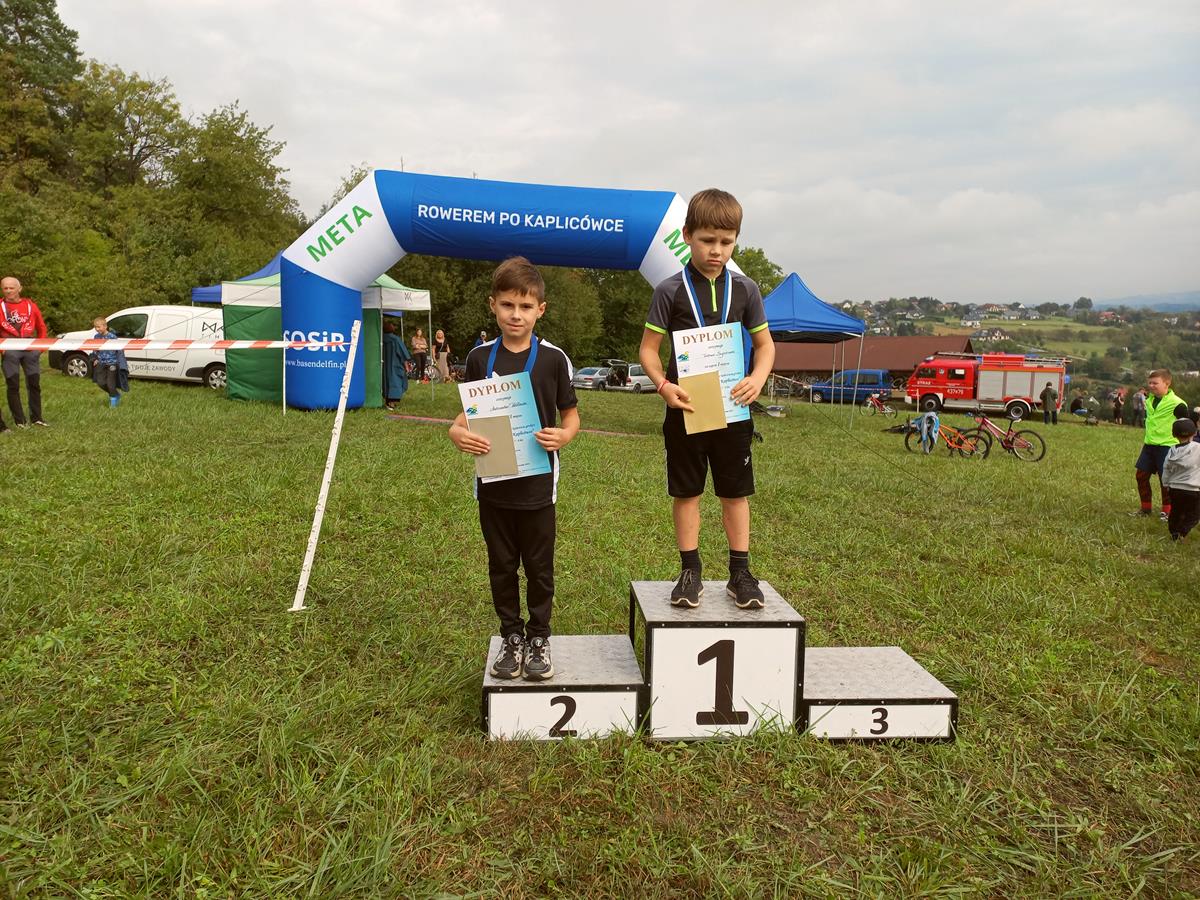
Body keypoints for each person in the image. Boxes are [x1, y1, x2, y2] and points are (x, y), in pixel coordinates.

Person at [638, 188, 775, 611]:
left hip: (734, 409)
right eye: (707, 240)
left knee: (735, 493)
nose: (716, 251)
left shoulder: (747, 289)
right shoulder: (669, 290)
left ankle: (740, 573)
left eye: (726, 242)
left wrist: (758, 377)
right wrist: (663, 385)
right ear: (687, 236)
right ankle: (690, 570)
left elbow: (765, 346)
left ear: (736, 241)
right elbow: (647, 351)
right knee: (688, 493)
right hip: (687, 409)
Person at [449, 257, 579, 681]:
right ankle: (512, 636)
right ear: (493, 305)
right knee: (501, 566)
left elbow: (571, 415)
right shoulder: (478, 358)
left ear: (541, 309)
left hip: (538, 487)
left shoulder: (554, 359)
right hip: (494, 486)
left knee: (540, 568)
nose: (516, 315)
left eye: (525, 307)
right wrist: (456, 432)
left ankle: (539, 637)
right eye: (507, 305)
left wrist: (563, 436)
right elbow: (465, 415)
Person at [1132, 369, 1188, 521]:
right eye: (1150, 383)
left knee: (1166, 480)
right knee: (1141, 476)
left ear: (1166, 384)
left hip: (1168, 446)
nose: (1151, 386)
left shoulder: (1178, 404)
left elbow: (1186, 426)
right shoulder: (1149, 400)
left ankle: (1167, 512)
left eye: (1155, 383)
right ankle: (1145, 509)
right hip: (1149, 445)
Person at [0, 276, 49, 428]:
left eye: (12, 288)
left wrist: (40, 348)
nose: (8, 291)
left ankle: (37, 418)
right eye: (5, 288)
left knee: (34, 384)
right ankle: (20, 421)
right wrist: (3, 349)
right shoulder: (0, 306)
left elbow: (41, 327)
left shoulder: (30, 305)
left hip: (30, 348)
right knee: (13, 385)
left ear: (19, 289)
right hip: (9, 348)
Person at [1163, 418, 1200, 541]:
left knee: (1176, 511)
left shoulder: (1171, 451)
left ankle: (1174, 532)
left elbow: (1166, 468)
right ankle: (1182, 532)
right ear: (1195, 432)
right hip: (1194, 489)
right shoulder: (1198, 448)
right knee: (1194, 514)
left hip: (1175, 489)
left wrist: (1166, 483)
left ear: (1174, 434)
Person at [89, 317, 129, 407]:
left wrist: (121, 364)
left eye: (99, 327)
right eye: (95, 327)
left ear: (105, 326)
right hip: (101, 363)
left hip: (112, 363)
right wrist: (95, 359)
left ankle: (113, 403)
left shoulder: (112, 337)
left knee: (111, 384)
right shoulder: (96, 337)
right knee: (101, 383)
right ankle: (116, 394)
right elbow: (95, 349)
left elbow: (119, 351)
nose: (97, 329)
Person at [381, 318, 411, 409]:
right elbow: (402, 353)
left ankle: (387, 401)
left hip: (384, 365)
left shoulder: (381, 339)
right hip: (395, 364)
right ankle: (392, 403)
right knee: (396, 381)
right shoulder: (396, 339)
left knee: (386, 381)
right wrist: (406, 366)